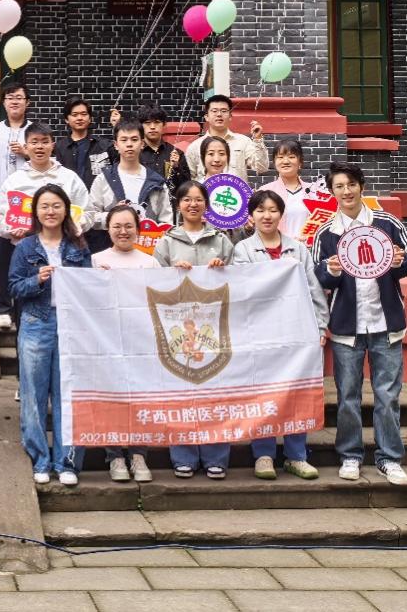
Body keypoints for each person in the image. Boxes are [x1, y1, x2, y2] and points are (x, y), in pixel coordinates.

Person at [314, 162, 407, 487]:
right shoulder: (326, 233)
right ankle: (350, 455)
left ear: (362, 186)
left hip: (386, 323)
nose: (346, 192)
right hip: (346, 326)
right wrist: (331, 270)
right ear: (332, 192)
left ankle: (390, 458)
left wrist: (400, 262)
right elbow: (318, 276)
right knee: (347, 395)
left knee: (387, 395)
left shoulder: (387, 224)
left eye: (351, 184)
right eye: (339, 186)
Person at [231, 189, 329, 481]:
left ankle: (296, 456)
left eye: (273, 210)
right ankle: (263, 455)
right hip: (259, 335)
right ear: (252, 215)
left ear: (281, 214)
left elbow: (313, 290)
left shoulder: (298, 249)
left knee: (295, 392)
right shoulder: (243, 250)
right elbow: (241, 291)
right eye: (261, 210)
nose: (267, 216)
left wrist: (320, 326)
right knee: (261, 393)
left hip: (295, 332)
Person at [9, 183, 92, 486]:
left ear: (66, 209)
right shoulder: (25, 247)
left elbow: (89, 286)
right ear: (36, 211)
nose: (51, 211)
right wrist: (37, 280)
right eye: (44, 206)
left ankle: (66, 462)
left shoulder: (78, 246)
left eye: (56, 205)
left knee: (67, 394)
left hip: (71, 325)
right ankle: (40, 460)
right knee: (33, 395)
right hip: (35, 323)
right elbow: (13, 287)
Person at [153, 180, 234, 479]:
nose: (193, 204)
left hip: (214, 327)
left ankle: (216, 457)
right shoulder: (166, 242)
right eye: (187, 199)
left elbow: (240, 280)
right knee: (180, 392)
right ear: (178, 205)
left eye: (199, 199)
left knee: (216, 390)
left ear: (206, 205)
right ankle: (183, 456)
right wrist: (172, 273)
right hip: (178, 328)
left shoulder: (221, 241)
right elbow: (154, 283)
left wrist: (222, 269)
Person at [92, 203, 158, 482]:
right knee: (112, 399)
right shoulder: (95, 260)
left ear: (138, 229)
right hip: (107, 342)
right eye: (117, 226)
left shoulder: (150, 262)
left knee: (139, 398)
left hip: (141, 342)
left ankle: (139, 454)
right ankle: (115, 456)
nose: (123, 231)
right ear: (107, 229)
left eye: (128, 226)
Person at [0, 123, 93, 263]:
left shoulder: (70, 178)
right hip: (26, 251)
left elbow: (88, 212)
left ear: (52, 146)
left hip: (67, 250)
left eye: (45, 142)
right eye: (34, 142)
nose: (39, 147)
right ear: (26, 147)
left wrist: (76, 225)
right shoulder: (14, 181)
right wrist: (10, 229)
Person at [0, 81, 31, 330]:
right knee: (1, 258)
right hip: (1, 204)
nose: (14, 101)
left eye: (19, 97)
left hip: (28, 206)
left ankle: (23, 306)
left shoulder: (34, 131)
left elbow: (48, 158)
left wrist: (27, 152)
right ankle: (2, 308)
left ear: (27, 102)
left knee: (27, 257)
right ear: (3, 103)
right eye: (10, 97)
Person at [88, 120, 173, 234]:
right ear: (116, 145)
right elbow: (91, 216)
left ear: (142, 144)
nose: (129, 144)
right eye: (124, 140)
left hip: (147, 243)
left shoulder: (156, 182)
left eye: (134, 139)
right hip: (111, 242)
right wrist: (112, 215)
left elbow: (166, 221)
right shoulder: (103, 179)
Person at [184, 95, 268, 182]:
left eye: (224, 111)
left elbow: (262, 168)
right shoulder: (195, 146)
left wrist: (257, 140)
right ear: (207, 117)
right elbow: (190, 178)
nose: (219, 114)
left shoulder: (243, 141)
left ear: (230, 116)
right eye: (214, 111)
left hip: (236, 190)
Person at [259, 138, 319, 241]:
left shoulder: (314, 191)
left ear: (300, 162)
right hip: (276, 248)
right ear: (274, 162)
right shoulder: (265, 191)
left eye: (291, 157)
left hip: (308, 248)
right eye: (280, 157)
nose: (285, 161)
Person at [55, 96, 117, 190]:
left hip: (97, 197)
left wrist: (117, 126)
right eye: (75, 115)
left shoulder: (104, 146)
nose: (80, 118)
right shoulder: (59, 147)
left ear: (90, 118)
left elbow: (123, 159)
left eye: (84, 114)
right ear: (67, 119)